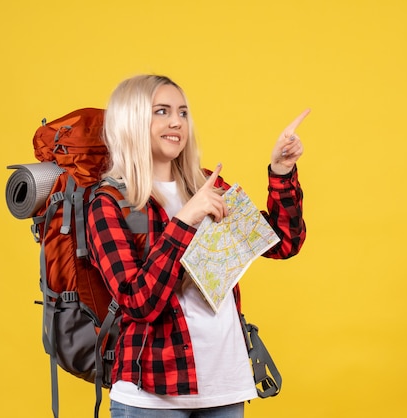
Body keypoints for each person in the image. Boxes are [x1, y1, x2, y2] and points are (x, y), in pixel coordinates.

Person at [86, 74, 308, 418]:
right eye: (161, 111)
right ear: (132, 120)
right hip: (150, 395)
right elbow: (137, 302)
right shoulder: (110, 202)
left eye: (183, 112)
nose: (176, 121)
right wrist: (183, 221)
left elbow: (283, 242)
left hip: (225, 386)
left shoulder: (206, 184)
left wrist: (281, 170)